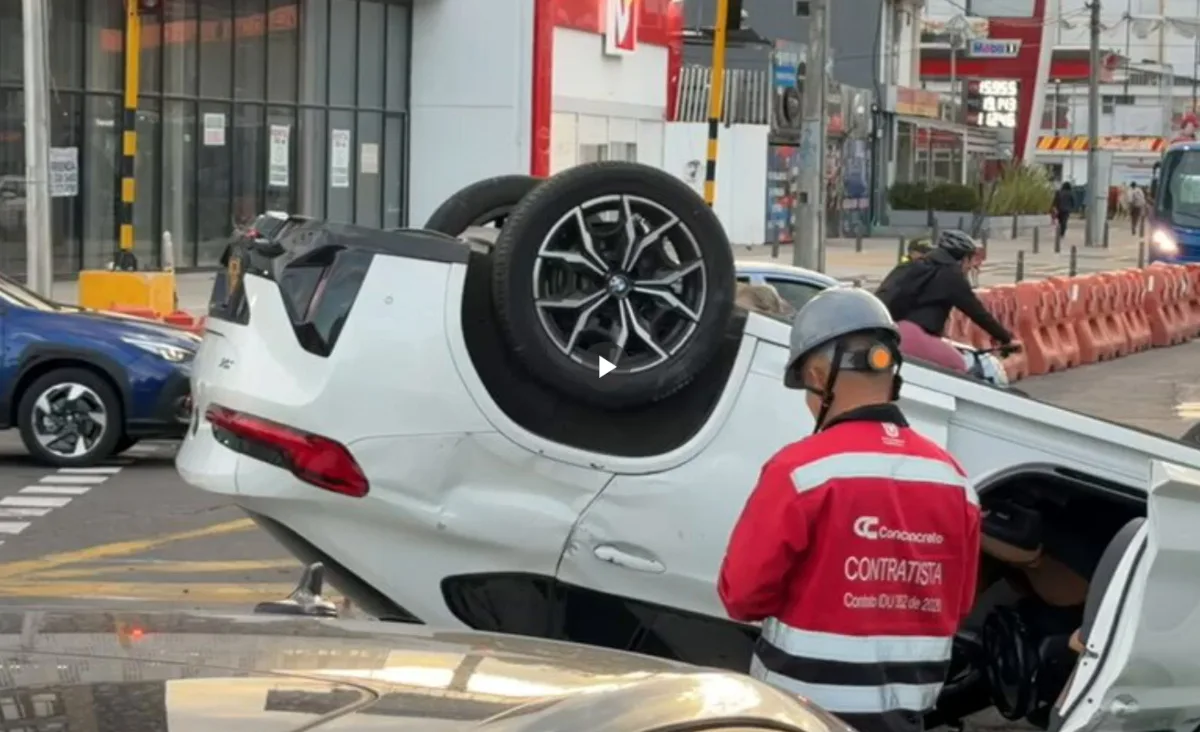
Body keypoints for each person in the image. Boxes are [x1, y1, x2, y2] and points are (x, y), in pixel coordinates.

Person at [718, 288, 981, 732]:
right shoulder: (955, 482)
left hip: (801, 712)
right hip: (907, 715)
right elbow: (957, 606)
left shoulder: (799, 471)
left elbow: (741, 597)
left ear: (819, 376)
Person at [875, 230, 1016, 373]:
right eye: (970, 260)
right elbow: (977, 312)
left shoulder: (913, 266)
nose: (969, 267)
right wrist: (1005, 338)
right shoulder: (951, 275)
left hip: (889, 334)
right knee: (958, 365)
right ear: (963, 258)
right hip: (915, 335)